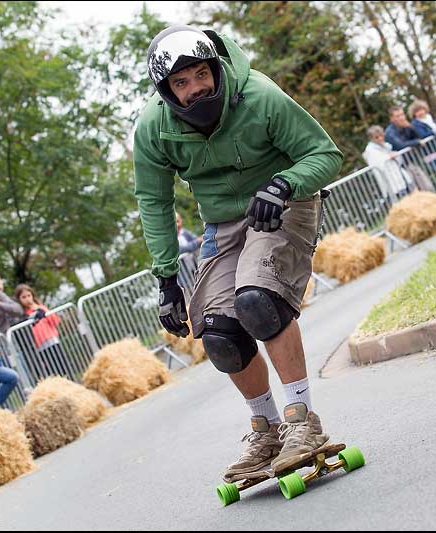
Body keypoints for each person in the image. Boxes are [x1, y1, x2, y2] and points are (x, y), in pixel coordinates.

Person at [136, 25, 344, 482]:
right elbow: (154, 201)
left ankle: (301, 420)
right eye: (181, 83)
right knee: (219, 334)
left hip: (284, 202)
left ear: (215, 67)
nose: (195, 89)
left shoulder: (260, 95)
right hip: (223, 222)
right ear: (166, 91)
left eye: (199, 74)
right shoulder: (154, 129)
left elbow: (325, 154)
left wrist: (284, 183)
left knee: (258, 302)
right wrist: (166, 279)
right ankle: (266, 429)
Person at [13, 283, 72, 378]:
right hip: (40, 347)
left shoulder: (41, 308)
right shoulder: (24, 316)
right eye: (24, 297)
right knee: (52, 370)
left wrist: (43, 311)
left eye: (29, 295)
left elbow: (55, 321)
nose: (28, 299)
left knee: (63, 365)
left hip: (52, 341)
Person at [384, 106, 435, 192]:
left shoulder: (406, 126)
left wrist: (411, 127)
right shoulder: (390, 132)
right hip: (401, 166)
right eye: (398, 116)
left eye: (402, 115)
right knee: (415, 191)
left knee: (427, 187)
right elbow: (400, 145)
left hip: (412, 162)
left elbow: (420, 137)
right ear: (392, 118)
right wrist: (416, 142)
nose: (401, 118)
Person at [362, 125, 411, 201]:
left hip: (400, 177)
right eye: (376, 137)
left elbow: (398, 160)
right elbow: (377, 164)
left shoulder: (386, 145)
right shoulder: (370, 151)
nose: (380, 138)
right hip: (391, 182)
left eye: (381, 135)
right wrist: (388, 157)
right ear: (371, 139)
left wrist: (394, 156)